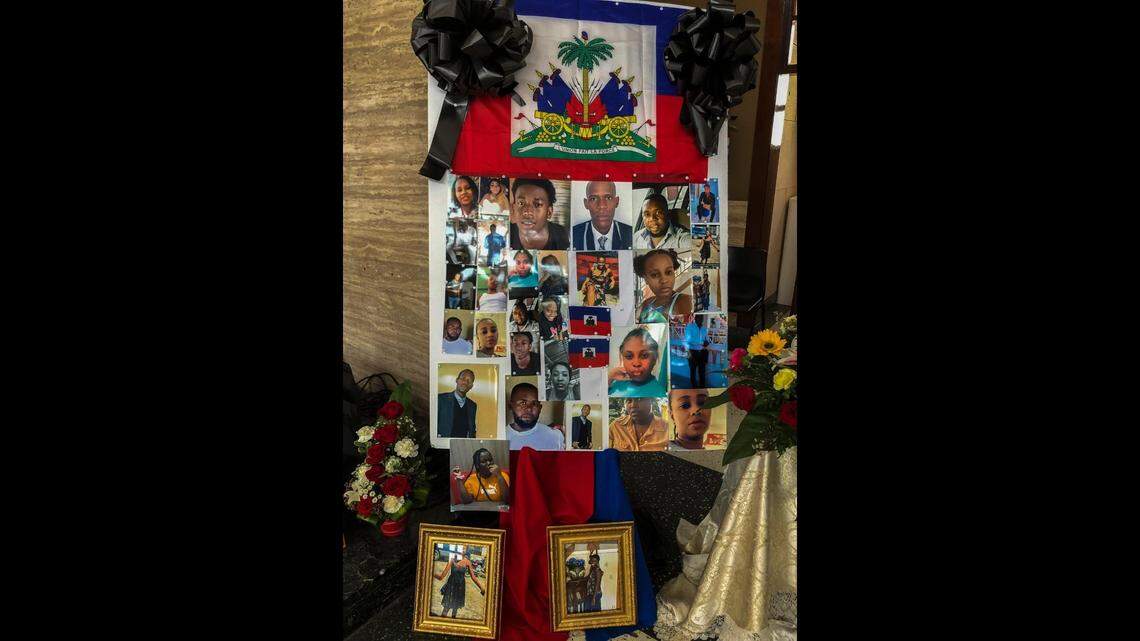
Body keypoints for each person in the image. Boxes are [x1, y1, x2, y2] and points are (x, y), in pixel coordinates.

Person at [510, 178, 569, 250]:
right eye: (521, 203)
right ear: (513, 208)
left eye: (537, 204)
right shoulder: (506, 235)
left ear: (549, 212)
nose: (527, 211)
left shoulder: (563, 236)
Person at [635, 248, 693, 322]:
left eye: (669, 272)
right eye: (655, 275)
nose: (664, 280)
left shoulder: (685, 301)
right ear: (646, 279)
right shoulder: (646, 304)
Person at [572, 180, 633, 250]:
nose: (602, 206)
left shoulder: (630, 234)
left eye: (608, 198)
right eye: (593, 199)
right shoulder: (574, 235)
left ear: (616, 202)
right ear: (586, 203)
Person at [609, 327, 667, 397]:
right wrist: (610, 377)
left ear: (654, 359)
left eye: (644, 356)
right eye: (629, 356)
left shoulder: (659, 393)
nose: (636, 363)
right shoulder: (616, 382)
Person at [506, 383, 565, 450]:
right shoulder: (500, 436)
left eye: (534, 404)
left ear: (540, 408)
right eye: (523, 403)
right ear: (510, 406)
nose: (529, 408)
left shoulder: (555, 436)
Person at [433, 549, 485, 618]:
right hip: (451, 587)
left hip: (460, 588)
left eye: (462, 551)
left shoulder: (467, 562)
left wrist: (481, 587)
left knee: (454, 610)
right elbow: (441, 577)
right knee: (447, 608)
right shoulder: (451, 560)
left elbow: (473, 577)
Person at [437, 369, 477, 439]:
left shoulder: (472, 406)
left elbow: (472, 430)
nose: (465, 382)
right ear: (457, 380)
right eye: (463, 378)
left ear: (471, 386)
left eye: (468, 381)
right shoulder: (441, 399)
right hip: (443, 446)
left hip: (463, 447)